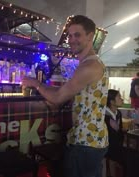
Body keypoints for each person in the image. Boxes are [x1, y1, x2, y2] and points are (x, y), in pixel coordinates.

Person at [21, 15, 109, 177]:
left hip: (85, 143)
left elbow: (58, 97)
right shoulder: (89, 63)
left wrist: (36, 84)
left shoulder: (89, 66)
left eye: (77, 35)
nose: (71, 39)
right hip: (90, 139)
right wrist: (43, 88)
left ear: (90, 36)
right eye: (69, 35)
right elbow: (64, 91)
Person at [105, 89, 125, 177]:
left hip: (116, 145)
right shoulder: (104, 115)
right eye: (119, 97)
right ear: (112, 101)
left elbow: (120, 130)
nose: (122, 99)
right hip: (107, 146)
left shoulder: (118, 113)